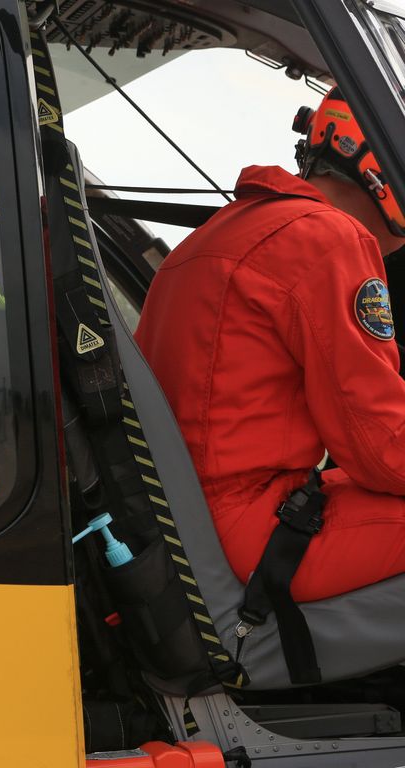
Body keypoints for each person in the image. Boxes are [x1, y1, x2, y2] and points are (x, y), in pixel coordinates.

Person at [135, 88, 405, 601]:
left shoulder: (222, 233)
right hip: (248, 527)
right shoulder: (328, 240)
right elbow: (381, 449)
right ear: (378, 165)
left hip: (185, 519)